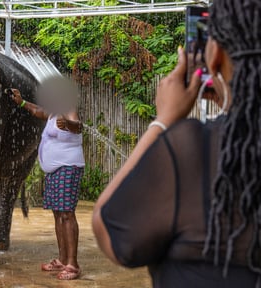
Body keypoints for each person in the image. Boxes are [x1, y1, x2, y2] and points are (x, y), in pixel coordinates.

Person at [92, 0, 261, 287]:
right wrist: (234, 104)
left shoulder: (193, 151)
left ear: (215, 55)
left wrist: (165, 120)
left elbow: (109, 230)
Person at [8, 87, 85, 280]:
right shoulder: (53, 112)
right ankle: (61, 259)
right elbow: (37, 111)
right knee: (58, 214)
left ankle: (72, 264)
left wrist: (67, 123)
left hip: (68, 167)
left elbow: (77, 125)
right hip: (54, 171)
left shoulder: (68, 109)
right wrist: (22, 102)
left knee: (67, 214)